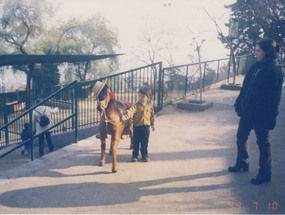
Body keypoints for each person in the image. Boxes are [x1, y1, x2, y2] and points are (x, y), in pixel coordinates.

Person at [228, 39, 283, 185]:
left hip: (262, 115)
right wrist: (239, 106)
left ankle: (265, 173)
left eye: (258, 51)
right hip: (248, 112)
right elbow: (245, 89)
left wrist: (270, 118)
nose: (256, 53)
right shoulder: (254, 68)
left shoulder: (274, 72)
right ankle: (242, 162)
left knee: (263, 143)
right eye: (256, 50)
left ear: (267, 53)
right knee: (241, 136)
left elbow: (274, 99)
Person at [122, 86, 155, 162]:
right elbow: (130, 111)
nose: (140, 98)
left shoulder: (150, 106)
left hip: (146, 128)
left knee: (145, 142)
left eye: (143, 96)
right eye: (139, 96)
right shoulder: (135, 106)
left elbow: (152, 116)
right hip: (137, 127)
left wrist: (152, 125)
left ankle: (145, 155)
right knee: (135, 142)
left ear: (148, 97)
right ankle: (134, 155)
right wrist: (125, 116)